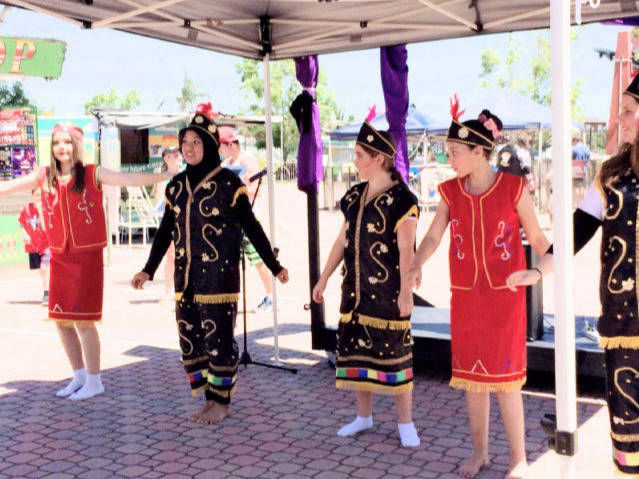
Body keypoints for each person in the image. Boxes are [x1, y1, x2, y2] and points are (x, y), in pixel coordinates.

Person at [407, 100, 550, 478]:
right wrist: (416, 263)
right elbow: (433, 236)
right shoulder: (450, 192)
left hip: (505, 299)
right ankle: (481, 453)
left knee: (506, 382)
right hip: (467, 299)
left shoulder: (514, 188)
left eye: (455, 152)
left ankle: (518, 458)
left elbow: (539, 240)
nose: (449, 159)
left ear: (478, 151)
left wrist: (539, 272)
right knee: (473, 380)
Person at [507, 75, 639, 476]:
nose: (620, 120)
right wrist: (538, 269)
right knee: (629, 436)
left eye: (628, 111)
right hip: (624, 324)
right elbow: (577, 232)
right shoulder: (611, 176)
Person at [131, 105, 289, 425]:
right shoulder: (176, 187)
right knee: (192, 342)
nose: (189, 148)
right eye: (185, 142)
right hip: (186, 279)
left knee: (219, 342)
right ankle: (209, 400)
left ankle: (222, 403)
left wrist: (274, 266)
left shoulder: (229, 184)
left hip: (219, 279)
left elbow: (252, 227)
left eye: (196, 142)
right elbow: (165, 232)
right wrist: (148, 269)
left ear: (211, 145)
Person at [0, 124, 170, 400]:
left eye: (67, 142)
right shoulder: (45, 176)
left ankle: (94, 380)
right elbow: (7, 187)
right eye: (57, 142)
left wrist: (166, 175)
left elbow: (128, 179)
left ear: (76, 146)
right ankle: (79, 376)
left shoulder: (92, 173)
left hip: (86, 257)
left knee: (84, 321)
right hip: (60, 256)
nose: (62, 147)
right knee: (61, 321)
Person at [312, 121, 421, 448]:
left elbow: (407, 249)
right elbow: (341, 240)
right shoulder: (354, 195)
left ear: (379, 159)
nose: (355, 160)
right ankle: (364, 416)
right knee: (358, 353)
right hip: (355, 291)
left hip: (388, 293)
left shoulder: (403, 199)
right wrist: (324, 277)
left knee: (396, 354)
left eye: (359, 154)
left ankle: (405, 423)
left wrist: (406, 292)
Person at [218, 126, 275, 312]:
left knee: (258, 259)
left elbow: (255, 189)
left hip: (247, 217)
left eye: (220, 146)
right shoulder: (226, 163)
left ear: (231, 144)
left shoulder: (247, 160)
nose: (219, 150)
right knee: (229, 261)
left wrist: (235, 190)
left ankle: (272, 297)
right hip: (230, 220)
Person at [152, 146, 183, 301]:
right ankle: (168, 291)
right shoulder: (162, 177)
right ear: (166, 159)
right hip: (170, 221)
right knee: (171, 256)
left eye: (179, 155)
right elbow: (158, 202)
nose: (179, 157)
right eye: (175, 155)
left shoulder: (187, 174)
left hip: (186, 220)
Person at [18, 187, 50, 305]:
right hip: (34, 245)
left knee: (44, 268)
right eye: (37, 195)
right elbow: (21, 223)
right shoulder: (26, 208)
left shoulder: (48, 209)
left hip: (47, 245)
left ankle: (47, 294)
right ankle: (49, 291)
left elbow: (47, 228)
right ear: (32, 195)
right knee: (42, 271)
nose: (39, 197)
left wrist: (41, 210)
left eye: (42, 195)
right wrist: (24, 234)